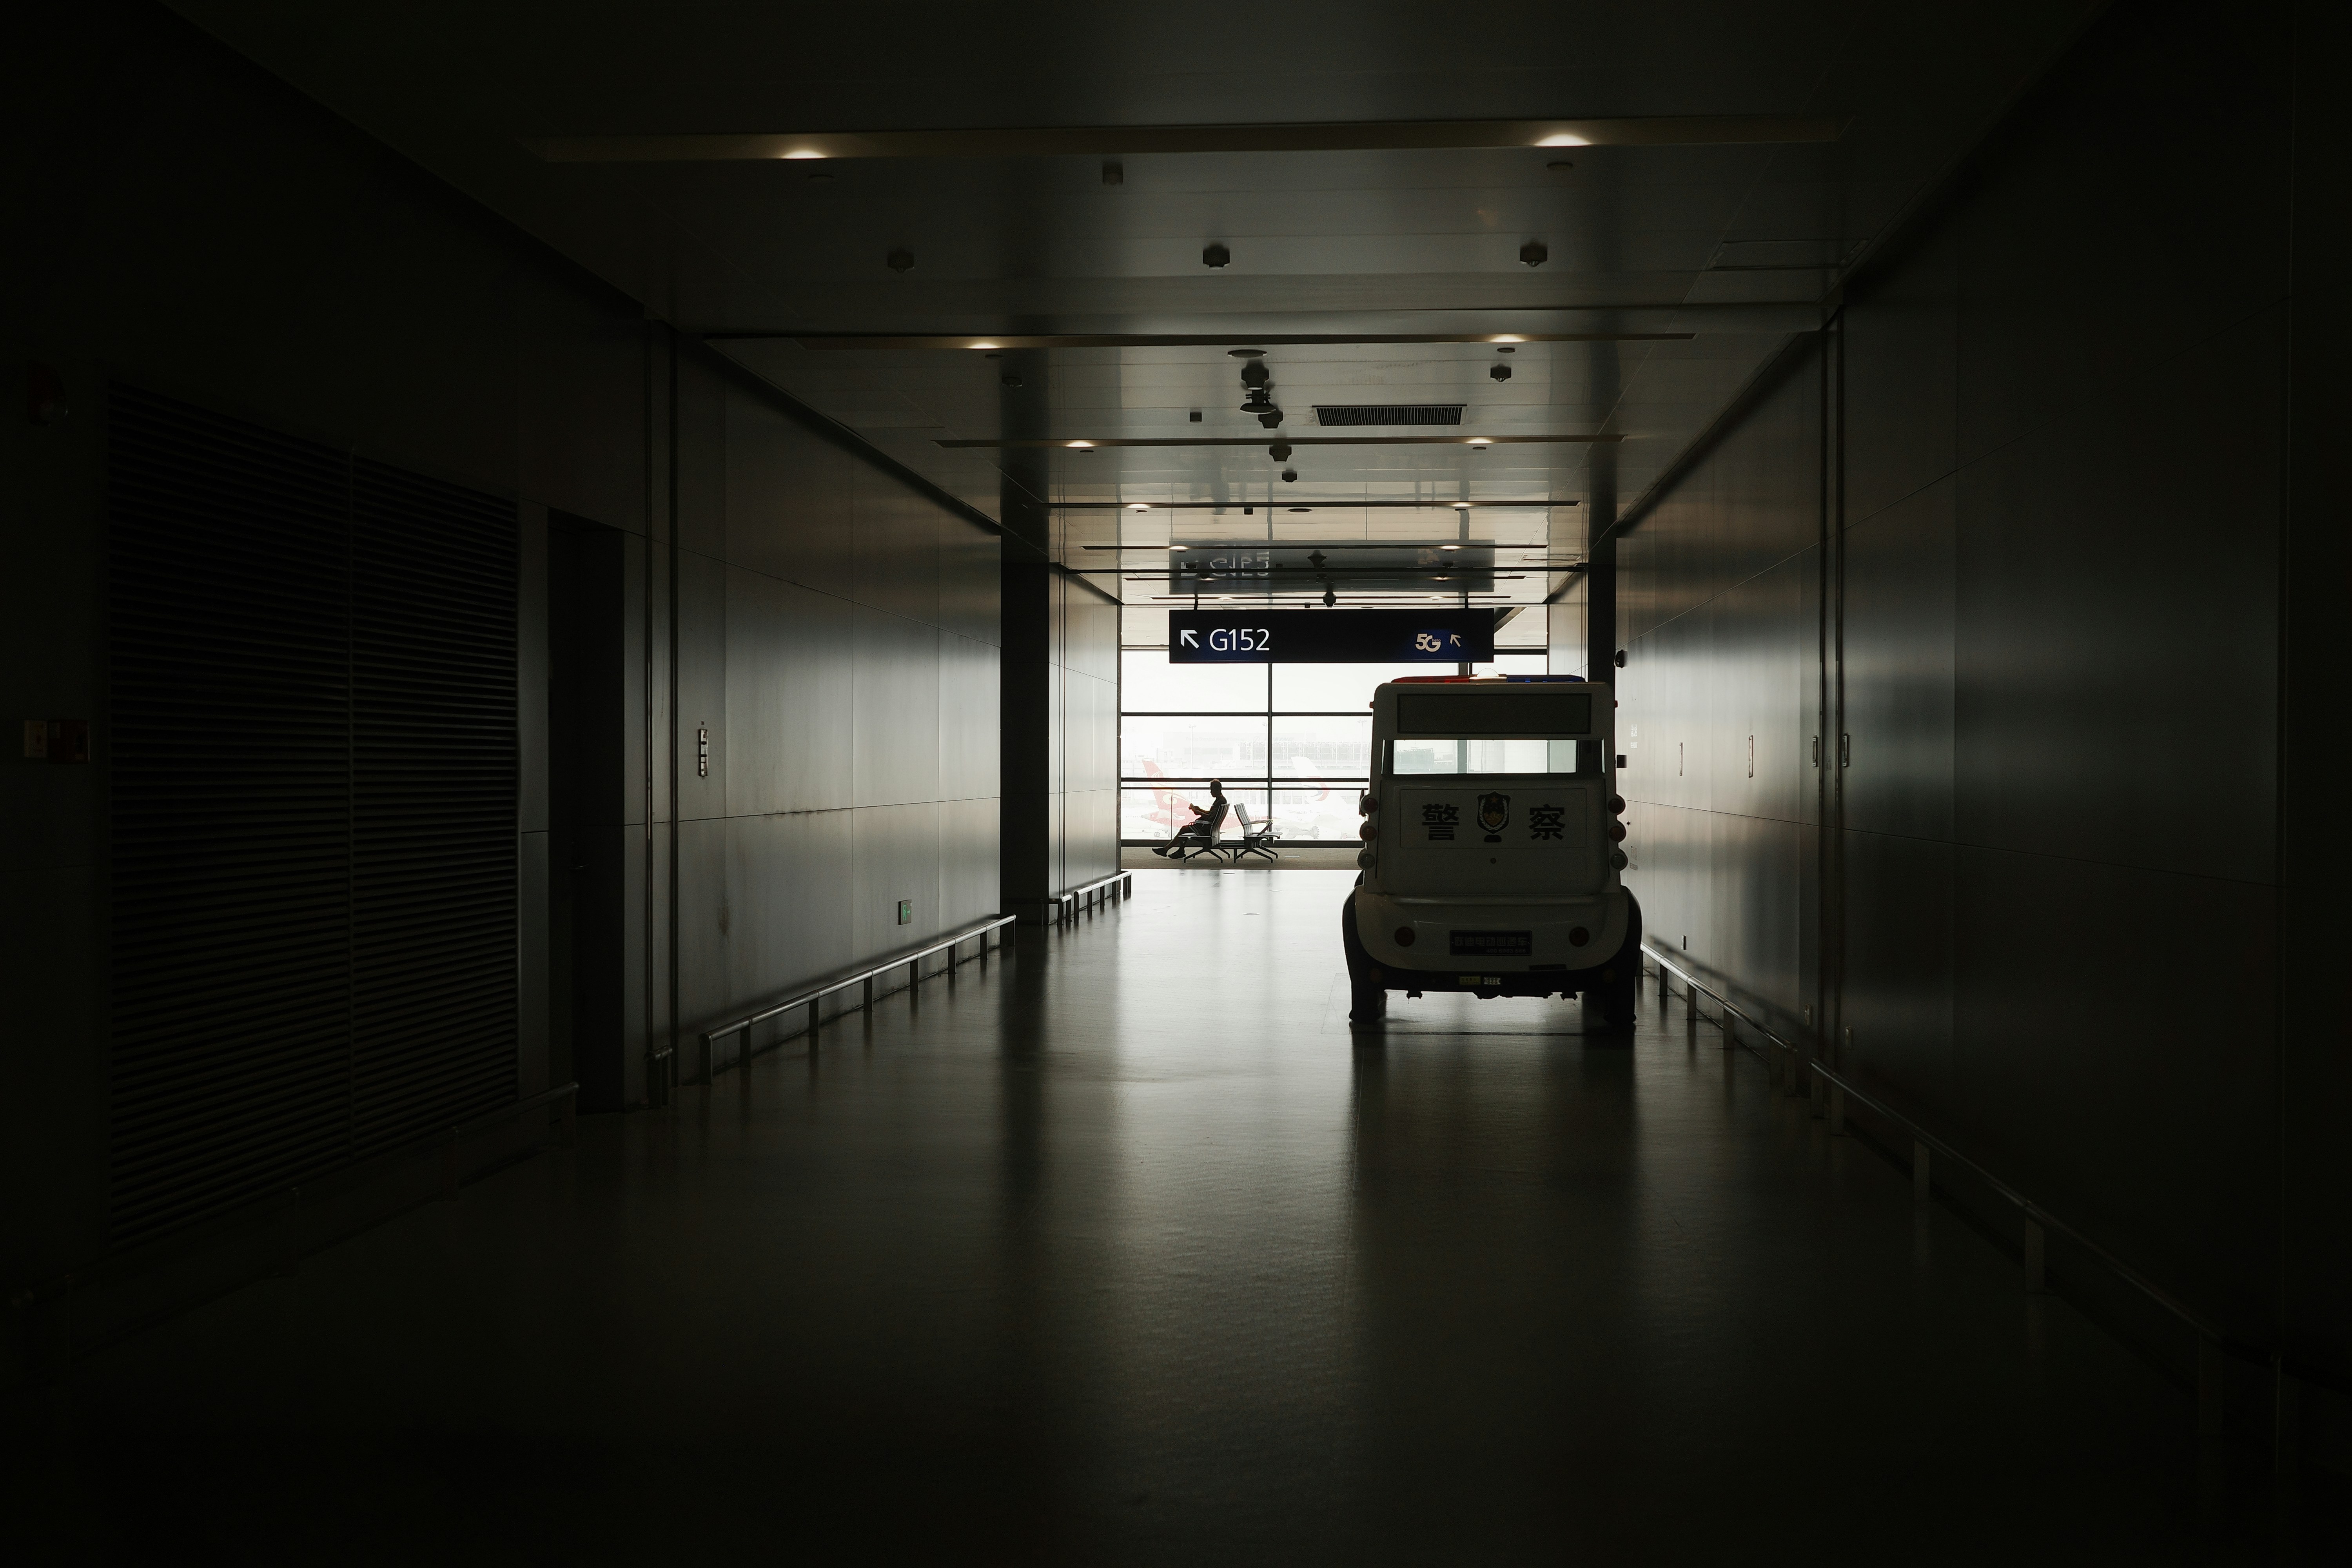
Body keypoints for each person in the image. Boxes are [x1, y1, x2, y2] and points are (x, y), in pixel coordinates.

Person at [1152, 779, 1229, 858]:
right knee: (1185, 830)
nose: (1211, 792)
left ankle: (1170, 850)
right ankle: (1176, 850)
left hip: (1206, 830)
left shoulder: (1220, 802)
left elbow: (1210, 817)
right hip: (1211, 828)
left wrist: (1200, 813)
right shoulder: (1221, 800)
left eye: (1211, 790)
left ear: (1216, 790)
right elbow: (1211, 814)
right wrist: (1199, 809)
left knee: (1184, 830)